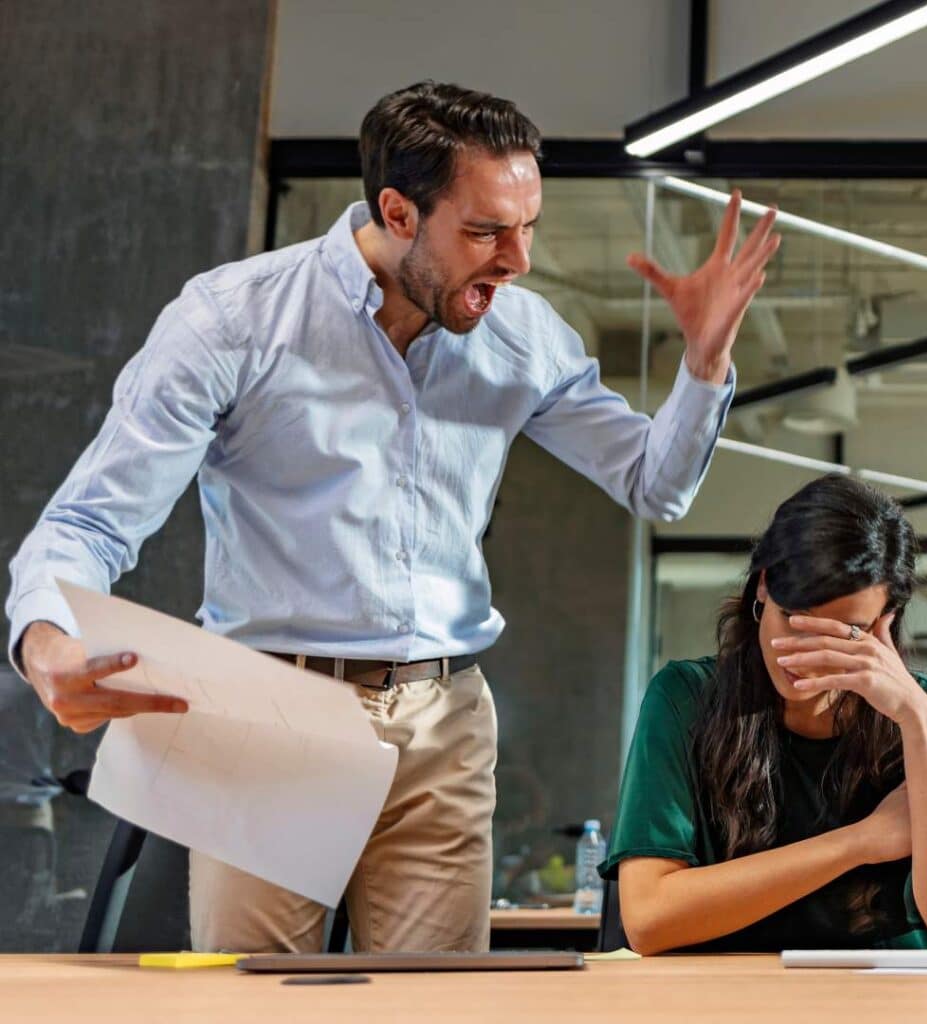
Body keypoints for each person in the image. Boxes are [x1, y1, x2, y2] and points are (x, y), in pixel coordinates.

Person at [6, 81, 779, 954]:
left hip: (442, 717)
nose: (518, 259)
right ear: (398, 211)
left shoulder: (521, 336)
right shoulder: (235, 320)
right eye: (486, 231)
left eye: (528, 226)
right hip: (271, 710)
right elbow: (88, 525)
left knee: (434, 1010)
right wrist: (47, 642)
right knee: (261, 1011)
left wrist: (706, 357)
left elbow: (653, 483)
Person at [602, 474, 927, 954]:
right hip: (721, 999)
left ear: (886, 621)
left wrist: (917, 720)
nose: (807, 656)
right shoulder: (685, 699)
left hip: (889, 998)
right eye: (794, 621)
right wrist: (861, 841)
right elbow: (649, 918)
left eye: (846, 633)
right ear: (762, 586)